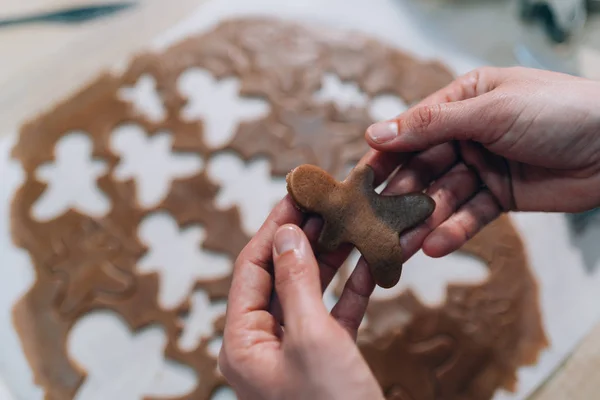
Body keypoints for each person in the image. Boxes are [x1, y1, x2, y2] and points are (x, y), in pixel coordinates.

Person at [218, 66, 600, 399]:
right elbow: (339, 225)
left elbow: (349, 209)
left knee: (412, 221)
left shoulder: (353, 202)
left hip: (387, 221)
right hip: (381, 225)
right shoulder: (342, 214)